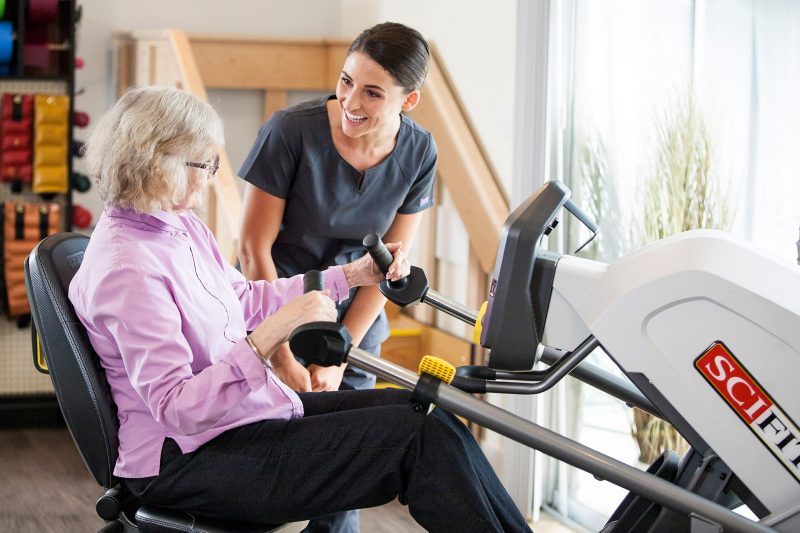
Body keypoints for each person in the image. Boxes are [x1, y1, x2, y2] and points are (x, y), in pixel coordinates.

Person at [68, 85, 532, 533]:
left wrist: (350, 277)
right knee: (417, 441)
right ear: (158, 163)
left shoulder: (176, 226)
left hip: (240, 421)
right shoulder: (126, 269)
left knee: (429, 413)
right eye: (204, 163)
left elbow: (243, 298)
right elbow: (177, 410)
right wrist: (274, 333)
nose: (212, 176)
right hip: (187, 461)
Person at [238, 24, 435, 530]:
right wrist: (280, 354)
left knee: (341, 474)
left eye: (372, 92)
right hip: (275, 307)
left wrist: (343, 352)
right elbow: (251, 249)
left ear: (408, 100)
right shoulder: (291, 131)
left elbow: (390, 263)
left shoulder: (420, 152)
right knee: (265, 471)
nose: (351, 100)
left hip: (355, 321)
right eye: (346, 81)